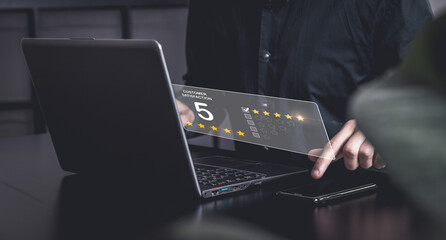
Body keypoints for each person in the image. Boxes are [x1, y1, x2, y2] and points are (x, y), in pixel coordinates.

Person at [177, 0, 432, 179]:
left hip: (362, 190)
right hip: (249, 185)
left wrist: (385, 124)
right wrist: (177, 111)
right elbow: (209, 91)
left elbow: (428, 100)